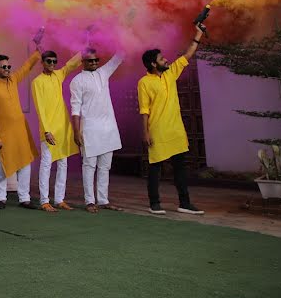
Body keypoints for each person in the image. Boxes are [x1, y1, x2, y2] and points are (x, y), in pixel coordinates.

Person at [139, 24, 206, 215]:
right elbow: (144, 110)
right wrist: (145, 132)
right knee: (155, 168)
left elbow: (188, 54)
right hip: (157, 130)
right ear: (153, 64)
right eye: (161, 58)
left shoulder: (170, 73)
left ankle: (184, 203)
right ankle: (154, 203)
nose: (166, 59)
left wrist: (198, 34)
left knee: (180, 168)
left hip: (176, 130)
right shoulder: (144, 82)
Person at [0, 41, 41, 209]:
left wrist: (37, 53)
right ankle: (1, 198)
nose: (8, 69)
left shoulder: (13, 80)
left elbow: (26, 67)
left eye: (9, 66)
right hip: (4, 134)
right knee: (3, 165)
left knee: (25, 164)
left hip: (21, 132)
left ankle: (24, 198)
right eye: (4, 67)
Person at [70, 49, 124, 214]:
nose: (94, 63)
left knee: (105, 167)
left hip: (108, 128)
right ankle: (90, 201)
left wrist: (127, 30)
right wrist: (76, 131)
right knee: (89, 166)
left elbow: (119, 56)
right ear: (83, 62)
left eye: (96, 60)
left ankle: (103, 200)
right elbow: (75, 108)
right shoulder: (77, 81)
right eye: (90, 61)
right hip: (90, 129)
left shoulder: (103, 73)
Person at [31, 50, 82, 212]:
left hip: (62, 127)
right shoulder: (37, 82)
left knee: (63, 163)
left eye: (54, 61)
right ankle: (44, 201)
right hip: (49, 130)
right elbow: (39, 108)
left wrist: (86, 47)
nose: (52, 64)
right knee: (46, 164)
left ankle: (60, 199)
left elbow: (71, 65)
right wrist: (46, 131)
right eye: (49, 61)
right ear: (42, 62)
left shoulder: (58, 75)